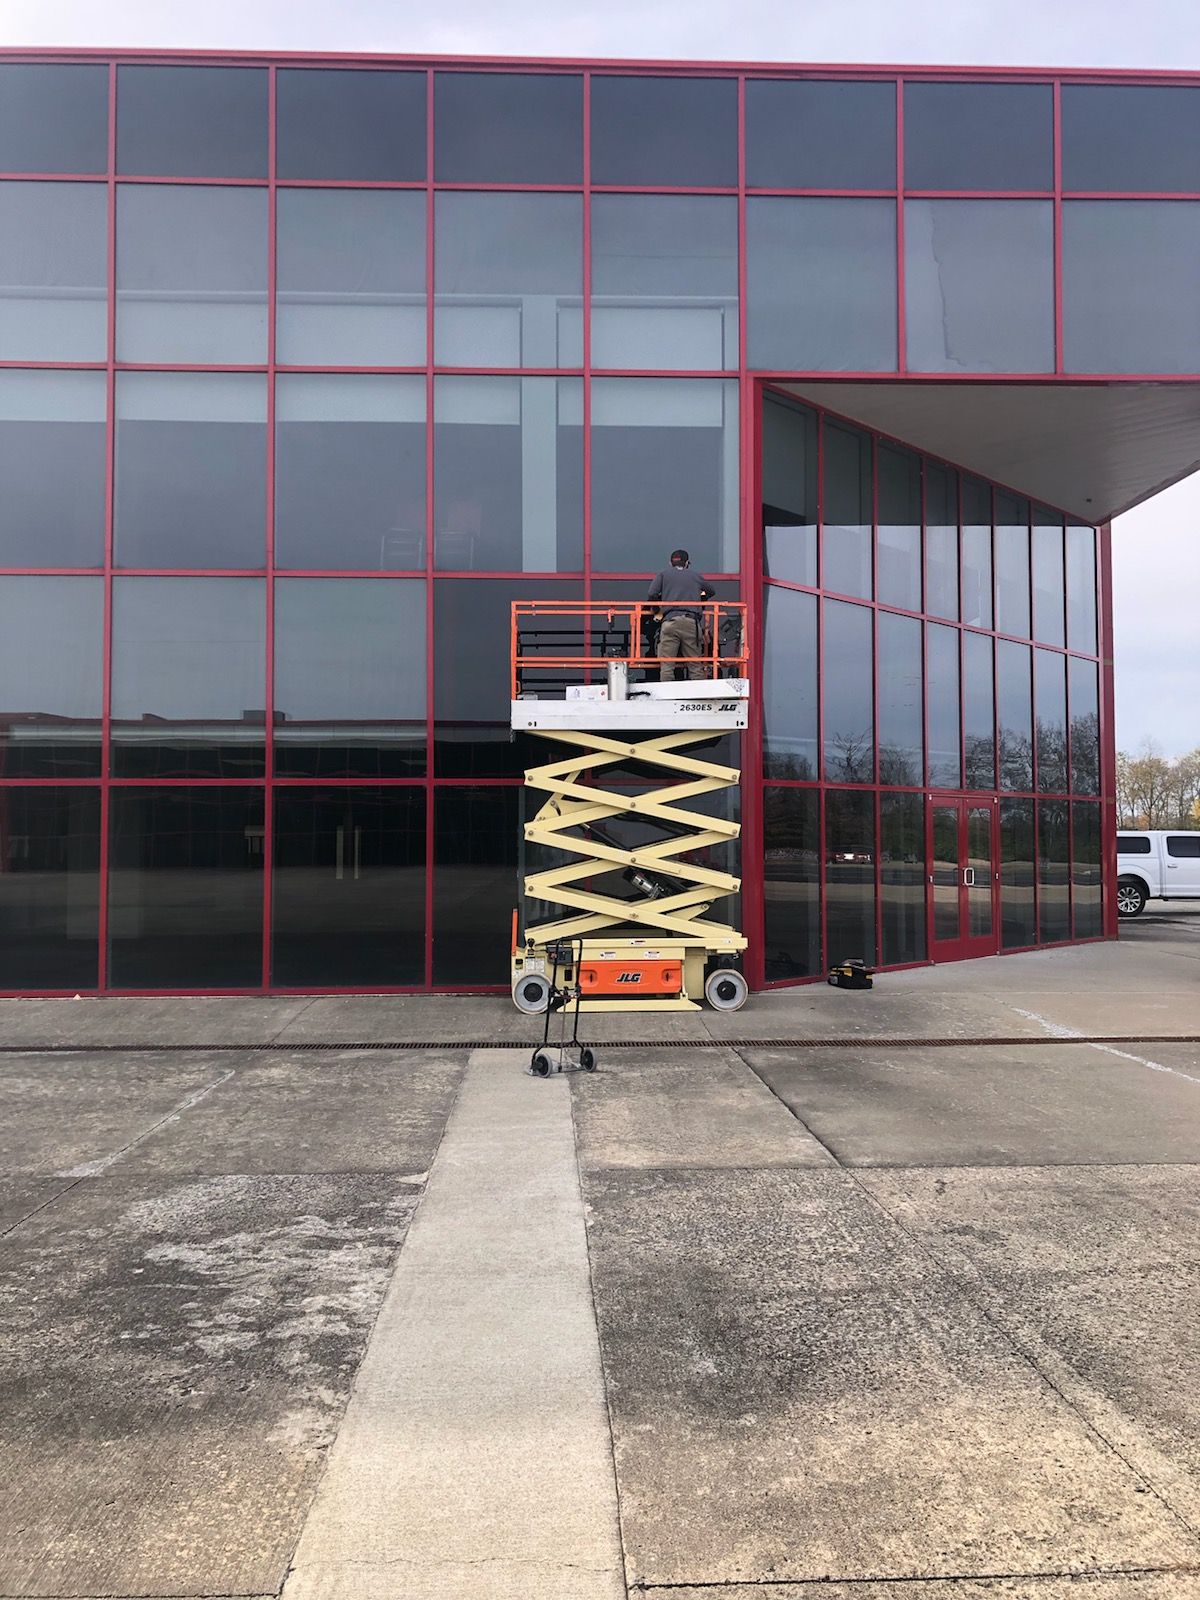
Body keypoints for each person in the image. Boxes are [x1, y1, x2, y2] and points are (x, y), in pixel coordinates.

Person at [646, 549, 714, 681]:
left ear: (670, 563)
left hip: (669, 622)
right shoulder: (695, 576)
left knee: (667, 665)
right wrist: (700, 599)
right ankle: (698, 692)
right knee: (695, 665)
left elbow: (652, 594)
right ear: (687, 563)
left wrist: (656, 611)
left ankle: (666, 692)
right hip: (690, 623)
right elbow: (711, 591)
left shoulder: (663, 574)